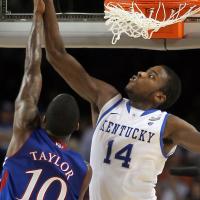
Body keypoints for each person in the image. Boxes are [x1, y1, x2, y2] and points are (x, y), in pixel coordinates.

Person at [42, 1, 200, 200]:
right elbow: (56, 56)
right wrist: (46, 5)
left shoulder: (167, 124)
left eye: (152, 76)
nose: (141, 73)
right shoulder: (107, 99)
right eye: (145, 71)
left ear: (160, 96)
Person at [0, 0, 92, 199]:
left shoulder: (25, 135)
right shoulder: (85, 171)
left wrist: (37, 16)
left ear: (43, 120)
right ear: (76, 126)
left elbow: (31, 71)